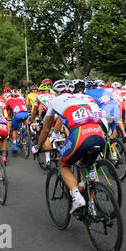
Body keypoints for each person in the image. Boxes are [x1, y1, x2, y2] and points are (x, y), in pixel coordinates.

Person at [32, 79, 106, 214]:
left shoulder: (55, 101)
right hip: (99, 133)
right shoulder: (85, 98)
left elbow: (45, 130)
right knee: (87, 166)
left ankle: (77, 196)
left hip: (80, 134)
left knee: (63, 165)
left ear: (56, 92)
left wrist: (37, 147)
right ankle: (91, 206)